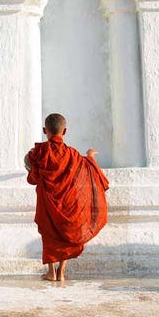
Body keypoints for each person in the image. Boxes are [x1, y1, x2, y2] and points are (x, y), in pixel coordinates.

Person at [24, 113, 109, 281]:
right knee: (65, 233)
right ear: (65, 132)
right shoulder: (72, 154)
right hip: (68, 202)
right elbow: (87, 167)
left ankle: (51, 272)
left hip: (47, 203)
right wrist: (90, 156)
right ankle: (61, 272)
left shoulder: (39, 153)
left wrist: (30, 158)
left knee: (49, 234)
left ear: (44, 131)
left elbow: (30, 170)